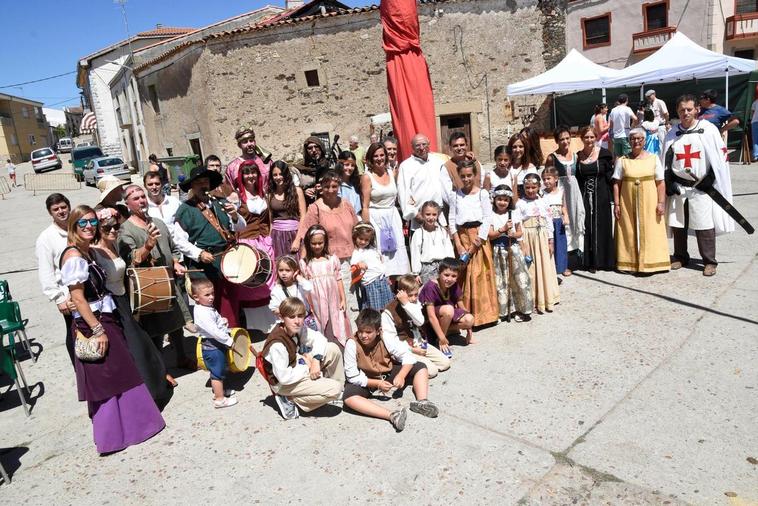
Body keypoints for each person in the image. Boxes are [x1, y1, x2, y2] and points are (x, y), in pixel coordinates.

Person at [60, 205, 164, 455]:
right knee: (106, 380)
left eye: (92, 223)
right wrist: (97, 330)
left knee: (122, 373)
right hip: (94, 321)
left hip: (106, 316)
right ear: (73, 226)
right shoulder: (73, 256)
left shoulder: (86, 252)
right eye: (82, 223)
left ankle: (136, 427)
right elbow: (79, 298)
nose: (88, 227)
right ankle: (113, 436)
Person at [91, 208, 173, 408]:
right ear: (98, 229)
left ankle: (153, 390)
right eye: (107, 227)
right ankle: (140, 398)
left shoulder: (115, 246)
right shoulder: (93, 252)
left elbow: (132, 262)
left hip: (124, 301)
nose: (112, 230)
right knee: (134, 349)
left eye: (115, 226)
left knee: (143, 347)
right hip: (110, 305)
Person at [117, 185, 192, 374]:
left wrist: (175, 262)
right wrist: (148, 245)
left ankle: (182, 357)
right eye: (136, 198)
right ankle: (161, 372)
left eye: (143, 197)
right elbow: (130, 259)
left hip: (169, 281)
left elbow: (173, 248)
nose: (141, 200)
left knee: (177, 324)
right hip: (149, 286)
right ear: (127, 203)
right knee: (156, 331)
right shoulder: (125, 230)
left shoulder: (158, 222)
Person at [664, 94, 735, 276]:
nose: (685, 113)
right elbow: (665, 160)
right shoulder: (672, 133)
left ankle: (709, 261)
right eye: (682, 110)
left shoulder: (708, 129)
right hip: (680, 187)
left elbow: (718, 158)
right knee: (678, 223)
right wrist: (669, 181)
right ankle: (680, 256)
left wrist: (711, 178)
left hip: (701, 186)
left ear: (697, 110)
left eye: (689, 109)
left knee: (704, 224)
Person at [343, 309, 439, 432]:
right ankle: (392, 415)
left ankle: (422, 402)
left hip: (386, 373)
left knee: (420, 367)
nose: (363, 335)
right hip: (366, 380)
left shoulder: (385, 337)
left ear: (378, 331)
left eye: (368, 332)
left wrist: (401, 376)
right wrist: (377, 384)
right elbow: (352, 376)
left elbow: (408, 357)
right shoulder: (352, 343)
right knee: (349, 398)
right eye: (360, 331)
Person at [174, 166, 247, 327]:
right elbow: (178, 240)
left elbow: (241, 227)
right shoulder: (186, 209)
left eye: (205, 181)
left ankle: (233, 338)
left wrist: (234, 215)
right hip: (203, 266)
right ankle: (213, 343)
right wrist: (199, 253)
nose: (203, 185)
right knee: (208, 307)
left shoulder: (221, 203)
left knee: (229, 304)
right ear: (192, 187)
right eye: (198, 182)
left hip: (226, 262)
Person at [260, 297, 344, 419]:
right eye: (292, 317)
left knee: (332, 349)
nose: (297, 321)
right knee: (334, 390)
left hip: (297, 366)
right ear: (282, 318)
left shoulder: (296, 329)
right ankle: (291, 400)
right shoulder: (277, 345)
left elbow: (319, 338)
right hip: (283, 383)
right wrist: (306, 366)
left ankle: (336, 391)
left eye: (300, 316)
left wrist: (316, 359)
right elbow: (284, 377)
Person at [293, 170, 359, 316]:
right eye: (327, 186)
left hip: (349, 258)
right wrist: (303, 263)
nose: (330, 190)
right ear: (321, 187)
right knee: (332, 299)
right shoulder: (315, 208)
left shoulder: (347, 205)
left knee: (350, 297)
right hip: (326, 261)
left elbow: (357, 231)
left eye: (334, 186)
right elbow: (307, 236)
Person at [447, 160, 498, 328]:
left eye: (469, 175)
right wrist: (458, 243)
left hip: (478, 238)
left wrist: (478, 241)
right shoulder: (455, 195)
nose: (466, 179)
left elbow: (487, 217)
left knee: (479, 274)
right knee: (463, 275)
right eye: (463, 176)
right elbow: (452, 219)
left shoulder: (482, 194)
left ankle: (484, 315)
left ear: (475, 175)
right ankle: (464, 313)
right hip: (462, 236)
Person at [613, 128, 670, 274]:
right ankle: (629, 263)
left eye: (639, 138)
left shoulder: (653, 158)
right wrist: (617, 204)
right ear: (629, 141)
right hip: (627, 202)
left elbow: (660, 182)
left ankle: (652, 263)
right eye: (633, 139)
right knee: (628, 230)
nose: (636, 141)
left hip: (650, 201)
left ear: (644, 140)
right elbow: (616, 183)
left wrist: (661, 202)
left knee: (651, 229)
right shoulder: (622, 160)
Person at [382, 274, 450, 378]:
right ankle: (406, 368)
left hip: (420, 344)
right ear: (400, 293)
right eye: (410, 295)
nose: (414, 298)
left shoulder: (413, 303)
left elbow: (420, 321)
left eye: (416, 294)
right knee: (432, 371)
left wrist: (407, 304)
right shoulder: (388, 312)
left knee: (445, 363)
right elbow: (391, 343)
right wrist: (412, 350)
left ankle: (420, 365)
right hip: (405, 349)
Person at [35, 193, 76, 365]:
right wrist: (58, 298)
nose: (61, 211)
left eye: (63, 207)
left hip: (88, 288)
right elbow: (46, 271)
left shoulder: (77, 226)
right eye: (56, 209)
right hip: (68, 295)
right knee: (74, 331)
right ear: (50, 213)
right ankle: (79, 368)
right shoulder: (46, 238)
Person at [232, 160, 277, 311]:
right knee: (251, 279)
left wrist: (269, 236)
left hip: (264, 241)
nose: (250, 176)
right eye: (246, 173)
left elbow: (269, 218)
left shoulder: (263, 194)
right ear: (241, 176)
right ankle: (252, 319)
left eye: (253, 172)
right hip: (247, 241)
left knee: (268, 277)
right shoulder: (236, 196)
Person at [361, 142, 411, 276]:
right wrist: (367, 229)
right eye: (375, 156)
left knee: (396, 254)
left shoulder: (391, 172)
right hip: (376, 218)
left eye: (382, 155)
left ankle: (396, 287)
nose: (379, 158)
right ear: (370, 159)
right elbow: (365, 206)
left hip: (392, 217)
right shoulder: (367, 177)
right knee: (381, 254)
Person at [299, 225, 351, 346]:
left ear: (325, 242)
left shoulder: (332, 259)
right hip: (316, 300)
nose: (317, 246)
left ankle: (339, 346)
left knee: (336, 319)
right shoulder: (305, 263)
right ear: (308, 243)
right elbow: (305, 286)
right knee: (321, 320)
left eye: (320, 243)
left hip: (333, 298)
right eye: (314, 243)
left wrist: (343, 298)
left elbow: (338, 279)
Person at [190, 278, 239, 408]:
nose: (211, 297)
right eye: (207, 295)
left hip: (215, 344)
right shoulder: (202, 312)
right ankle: (219, 399)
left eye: (212, 293)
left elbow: (215, 323)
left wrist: (221, 321)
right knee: (217, 373)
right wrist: (229, 341)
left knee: (221, 369)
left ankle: (221, 391)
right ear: (196, 297)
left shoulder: (206, 307)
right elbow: (214, 332)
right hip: (212, 347)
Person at [488, 185, 532, 321]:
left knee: (518, 279)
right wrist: (502, 229)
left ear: (509, 201)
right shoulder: (490, 214)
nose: (502, 202)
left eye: (505, 200)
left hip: (513, 248)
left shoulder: (513, 213)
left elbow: (520, 232)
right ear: (494, 199)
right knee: (501, 281)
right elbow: (490, 235)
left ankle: (522, 309)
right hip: (498, 250)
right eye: (499, 199)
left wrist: (513, 233)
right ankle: (504, 311)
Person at [517, 173, 560, 313]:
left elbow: (548, 221)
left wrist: (550, 240)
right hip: (528, 237)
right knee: (531, 268)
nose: (530, 190)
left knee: (544, 265)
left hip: (542, 237)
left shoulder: (543, 201)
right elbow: (518, 225)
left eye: (533, 187)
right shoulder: (520, 203)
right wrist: (522, 243)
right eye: (527, 187)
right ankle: (534, 299)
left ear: (538, 186)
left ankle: (547, 297)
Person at [575, 126, 616, 272]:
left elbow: (611, 177)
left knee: (602, 226)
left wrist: (615, 198)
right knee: (587, 227)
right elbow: (577, 179)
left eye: (592, 137)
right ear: (582, 139)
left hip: (602, 195)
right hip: (585, 196)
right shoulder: (578, 156)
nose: (589, 140)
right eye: (586, 137)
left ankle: (605, 260)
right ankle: (590, 261)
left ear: (596, 137)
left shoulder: (604, 154)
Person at [419, 258, 474, 357]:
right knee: (448, 309)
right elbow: (431, 315)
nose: (449, 279)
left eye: (454, 276)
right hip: (430, 319)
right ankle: (441, 340)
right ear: (439, 273)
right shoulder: (431, 286)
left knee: (469, 319)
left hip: (446, 315)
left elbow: (462, 307)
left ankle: (441, 334)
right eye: (446, 275)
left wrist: (469, 330)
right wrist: (442, 339)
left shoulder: (454, 285)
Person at [545, 126, 586, 254]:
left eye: (567, 138)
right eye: (562, 139)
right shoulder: (552, 158)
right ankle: (563, 255)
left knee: (575, 217)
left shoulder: (575, 156)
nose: (565, 141)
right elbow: (547, 177)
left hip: (574, 193)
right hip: (560, 193)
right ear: (557, 141)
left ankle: (576, 251)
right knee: (562, 221)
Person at [396, 134, 445, 232]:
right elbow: (403, 192)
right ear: (412, 147)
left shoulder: (438, 162)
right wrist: (415, 215)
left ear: (429, 144)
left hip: (440, 216)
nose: (422, 148)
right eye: (418, 145)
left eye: (424, 144)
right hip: (419, 219)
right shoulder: (406, 166)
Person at [267, 160, 306, 260]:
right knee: (279, 265)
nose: (278, 177)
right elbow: (271, 220)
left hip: (293, 233)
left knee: (295, 264)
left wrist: (298, 239)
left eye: (281, 174)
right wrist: (270, 238)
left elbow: (303, 217)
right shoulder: (270, 194)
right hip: (277, 236)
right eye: (275, 175)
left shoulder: (297, 191)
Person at [409, 201, 455, 285]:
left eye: (434, 214)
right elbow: (415, 254)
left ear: (438, 215)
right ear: (422, 215)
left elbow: (449, 250)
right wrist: (416, 273)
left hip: (443, 268)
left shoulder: (442, 232)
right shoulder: (418, 233)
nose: (431, 217)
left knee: (442, 294)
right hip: (427, 269)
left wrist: (450, 266)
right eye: (428, 214)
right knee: (430, 294)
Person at [350, 223, 394, 311]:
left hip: (382, 280)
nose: (363, 242)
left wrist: (386, 277)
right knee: (375, 308)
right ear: (355, 237)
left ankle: (387, 323)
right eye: (361, 238)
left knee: (388, 306)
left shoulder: (373, 250)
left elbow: (380, 264)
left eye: (366, 240)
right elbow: (353, 264)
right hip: (371, 283)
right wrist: (359, 265)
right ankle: (375, 324)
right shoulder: (357, 252)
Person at [268, 256, 317, 331]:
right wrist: (289, 314)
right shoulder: (277, 290)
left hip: (307, 321)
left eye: (288, 270)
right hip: (290, 325)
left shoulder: (300, 284)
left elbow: (309, 287)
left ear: (295, 271)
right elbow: (274, 308)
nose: (284, 273)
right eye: (281, 270)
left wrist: (297, 276)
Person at [225, 125, 272, 196]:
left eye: (251, 141)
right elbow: (230, 191)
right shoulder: (232, 167)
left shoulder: (267, 162)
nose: (249, 144)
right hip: (245, 204)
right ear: (239, 145)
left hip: (267, 202)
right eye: (245, 142)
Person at [542, 167, 570, 277]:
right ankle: (550, 267)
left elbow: (563, 206)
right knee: (548, 245)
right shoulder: (542, 193)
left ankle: (562, 267)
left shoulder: (561, 192)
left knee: (561, 245)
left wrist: (566, 216)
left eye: (548, 178)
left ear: (556, 179)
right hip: (547, 223)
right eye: (544, 179)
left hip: (558, 222)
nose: (546, 181)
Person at [440, 132, 483, 202]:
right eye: (455, 146)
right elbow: (447, 194)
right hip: (460, 208)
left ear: (466, 146)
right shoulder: (446, 168)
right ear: (450, 148)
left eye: (462, 145)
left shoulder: (476, 163)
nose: (459, 148)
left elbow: (483, 184)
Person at [295, 136, 333, 201]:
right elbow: (292, 190)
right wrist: (304, 191)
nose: (314, 150)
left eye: (316, 146)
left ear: (321, 148)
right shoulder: (299, 169)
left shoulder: (331, 165)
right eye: (310, 148)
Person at [336, 151, 362, 215]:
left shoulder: (355, 184)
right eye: (347, 165)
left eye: (352, 165)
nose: (350, 168)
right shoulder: (336, 185)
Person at [750, 95, 758, 162]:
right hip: (755, 122)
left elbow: (752, 113)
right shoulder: (755, 102)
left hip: (755, 122)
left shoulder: (755, 102)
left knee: (755, 140)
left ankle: (755, 156)